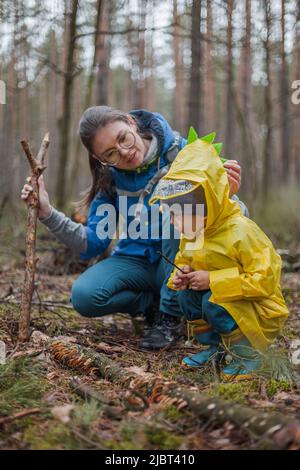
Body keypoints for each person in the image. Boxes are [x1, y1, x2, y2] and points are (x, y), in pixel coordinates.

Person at [21, 106, 247, 351]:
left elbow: (240, 219)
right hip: (136, 262)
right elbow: (91, 243)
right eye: (111, 154)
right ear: (100, 159)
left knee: (177, 216)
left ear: (131, 123)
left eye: (123, 138)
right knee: (84, 296)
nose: (125, 153)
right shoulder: (111, 179)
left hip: (183, 264)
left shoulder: (186, 153)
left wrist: (228, 196)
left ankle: (169, 317)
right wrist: (47, 213)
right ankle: (153, 304)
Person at [149, 134, 288, 379]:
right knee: (188, 299)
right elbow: (185, 257)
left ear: (209, 202)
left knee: (214, 301)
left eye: (180, 214)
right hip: (225, 299)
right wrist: (180, 275)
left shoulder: (241, 231)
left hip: (259, 310)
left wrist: (213, 280)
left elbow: (265, 280)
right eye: (171, 214)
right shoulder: (195, 231)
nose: (175, 222)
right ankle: (216, 348)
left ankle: (249, 354)